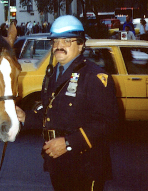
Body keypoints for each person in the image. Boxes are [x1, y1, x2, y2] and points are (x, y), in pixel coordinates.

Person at [15, 15, 119, 191]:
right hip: (58, 163)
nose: (58, 46)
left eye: (66, 41)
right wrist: (26, 117)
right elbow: (51, 113)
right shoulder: (52, 74)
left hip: (86, 165)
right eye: (55, 41)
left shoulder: (94, 76)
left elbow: (107, 122)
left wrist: (69, 143)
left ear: (80, 45)